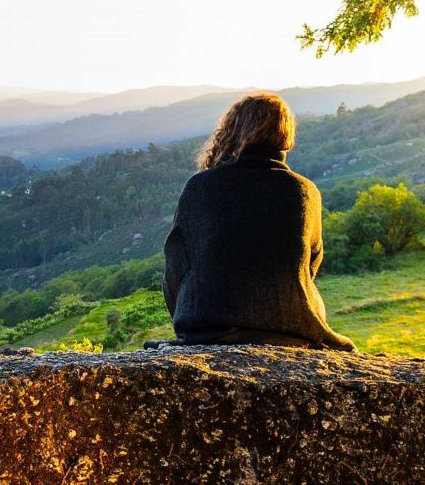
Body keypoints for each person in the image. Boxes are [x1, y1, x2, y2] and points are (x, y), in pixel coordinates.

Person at [149, 92, 355, 351]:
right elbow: (309, 267)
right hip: (294, 330)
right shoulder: (305, 192)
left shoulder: (200, 187)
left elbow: (176, 266)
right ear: (285, 138)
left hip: (208, 329)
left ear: (232, 130)